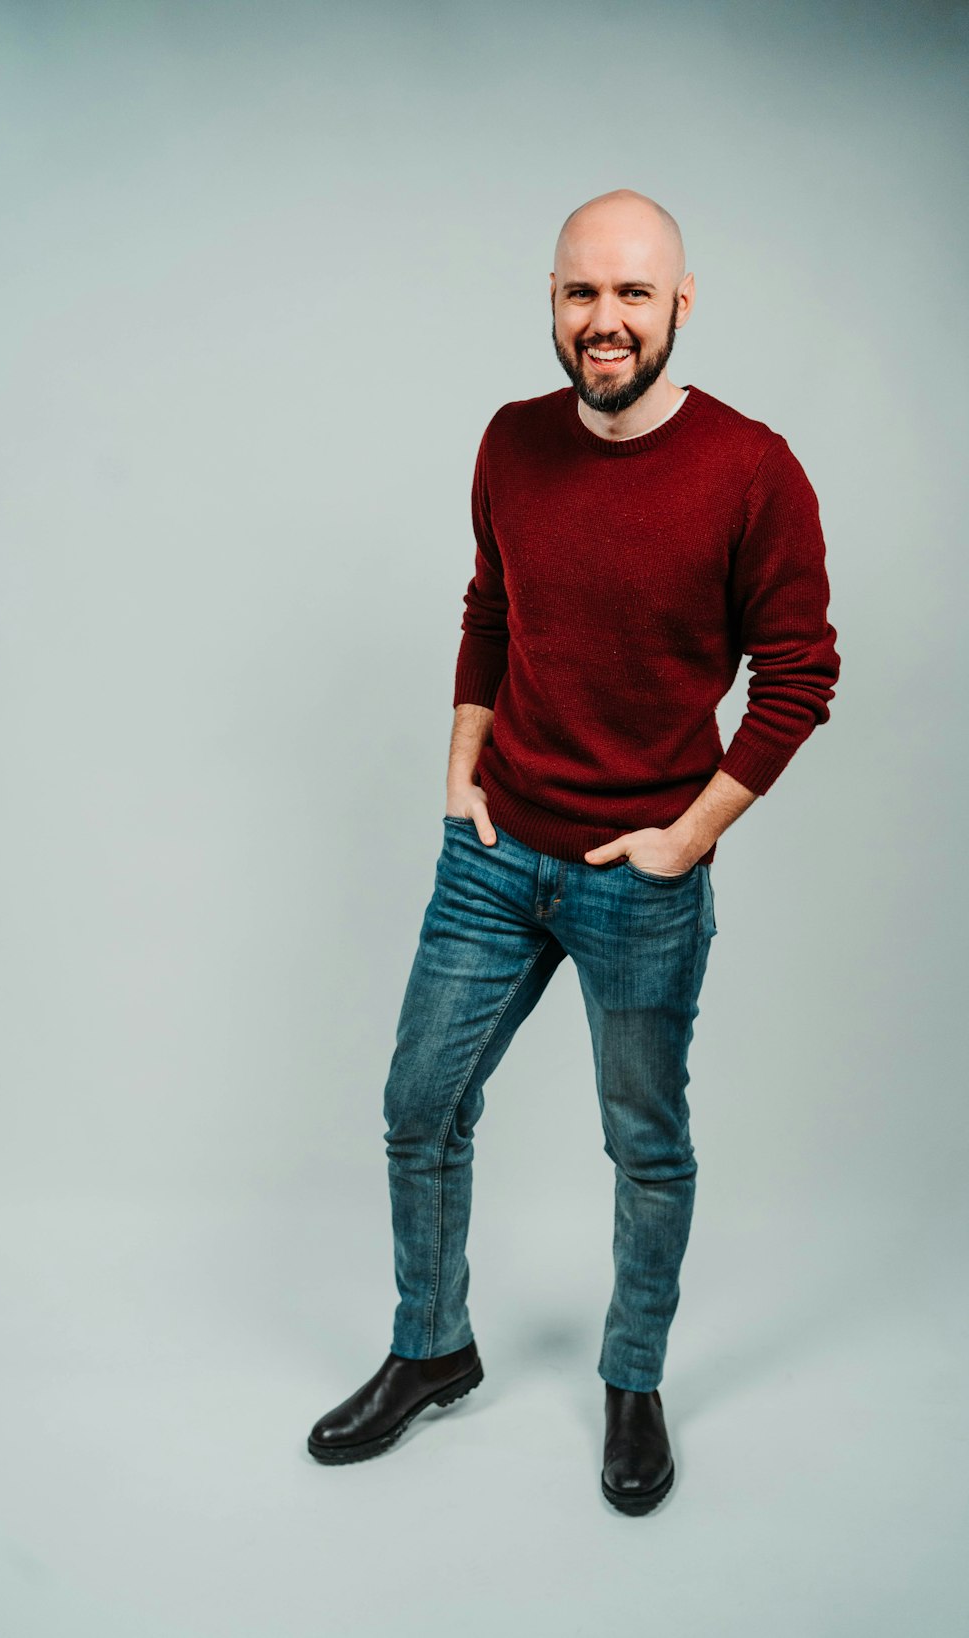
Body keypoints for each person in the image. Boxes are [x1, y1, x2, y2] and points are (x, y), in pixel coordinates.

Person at [307, 188, 840, 1514]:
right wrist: (459, 769)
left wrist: (687, 838)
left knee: (645, 1143)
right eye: (579, 293)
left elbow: (799, 674)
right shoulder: (510, 441)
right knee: (418, 1106)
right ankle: (432, 1347)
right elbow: (492, 601)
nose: (604, 321)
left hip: (637, 876)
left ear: (682, 303)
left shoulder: (752, 470)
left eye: (632, 294)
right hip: (494, 859)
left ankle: (633, 1374)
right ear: (552, 299)